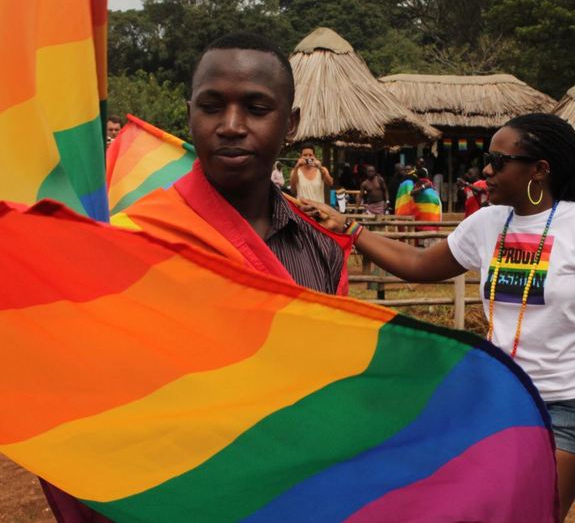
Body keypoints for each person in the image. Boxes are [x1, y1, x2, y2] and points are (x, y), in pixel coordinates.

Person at [43, 31, 354, 523]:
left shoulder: (321, 251)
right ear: (190, 114)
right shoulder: (134, 243)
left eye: (256, 108)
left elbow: (332, 394)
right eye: (212, 107)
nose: (231, 126)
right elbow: (87, 399)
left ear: (290, 124)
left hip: (291, 496)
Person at [303, 113, 575, 522]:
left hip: (567, 407)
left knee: (534, 515)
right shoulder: (487, 223)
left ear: (539, 170)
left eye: (500, 160)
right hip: (500, 399)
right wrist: (351, 228)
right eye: (487, 158)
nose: (487, 170)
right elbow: (418, 263)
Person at [395, 166, 442, 231]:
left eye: (408, 170)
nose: (407, 172)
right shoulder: (429, 186)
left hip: (423, 222)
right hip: (430, 222)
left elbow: (411, 193)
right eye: (405, 170)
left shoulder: (418, 185)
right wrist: (424, 186)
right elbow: (411, 193)